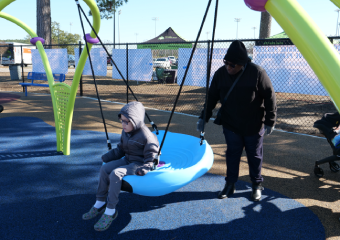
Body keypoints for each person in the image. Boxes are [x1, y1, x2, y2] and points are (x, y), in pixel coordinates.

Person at [197, 40, 277, 201]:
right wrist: (203, 117)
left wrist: (270, 120)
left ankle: (256, 185)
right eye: (227, 63)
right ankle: (230, 184)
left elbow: (270, 96)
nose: (229, 67)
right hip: (231, 124)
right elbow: (212, 97)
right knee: (232, 155)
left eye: (233, 65)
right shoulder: (220, 74)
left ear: (243, 63)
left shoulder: (257, 72)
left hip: (253, 124)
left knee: (254, 156)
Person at [82, 101, 159, 231]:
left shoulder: (146, 135)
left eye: (126, 121)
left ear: (135, 121)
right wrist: (108, 156)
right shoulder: (126, 132)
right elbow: (120, 150)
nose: (123, 124)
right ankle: (100, 203)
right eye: (121, 121)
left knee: (116, 173)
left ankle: (110, 211)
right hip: (128, 159)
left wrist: (146, 167)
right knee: (105, 168)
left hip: (138, 163)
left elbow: (152, 155)